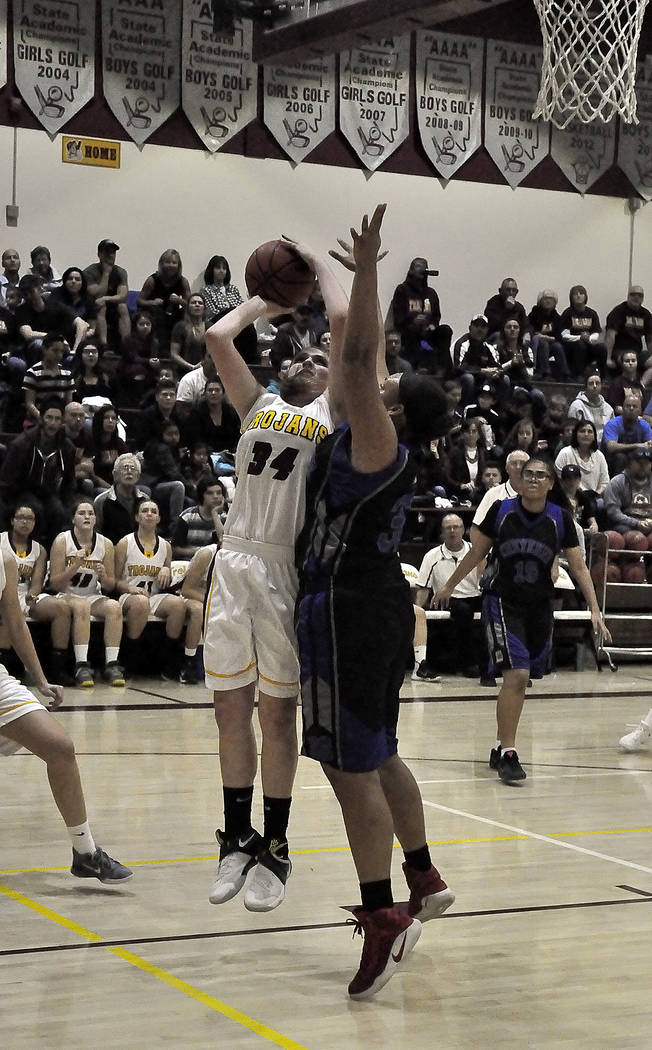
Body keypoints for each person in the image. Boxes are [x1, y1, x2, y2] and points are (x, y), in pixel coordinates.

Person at [296, 206, 454, 1001]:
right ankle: (422, 876)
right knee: (380, 749)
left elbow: (357, 357)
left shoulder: (377, 440)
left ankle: (382, 912)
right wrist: (334, 273)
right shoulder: (380, 434)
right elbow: (353, 344)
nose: (378, 378)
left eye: (390, 386)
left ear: (395, 408)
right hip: (375, 603)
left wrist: (366, 271)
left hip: (349, 611)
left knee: (345, 762)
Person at [203, 236, 348, 914]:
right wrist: (268, 299)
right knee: (230, 708)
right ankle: (236, 836)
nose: (309, 360)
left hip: (285, 569)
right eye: (302, 355)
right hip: (233, 559)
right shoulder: (257, 405)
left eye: (320, 360)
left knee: (276, 715)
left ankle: (278, 845)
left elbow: (343, 324)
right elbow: (217, 334)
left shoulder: (331, 414)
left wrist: (317, 266)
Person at [433, 457, 610, 784]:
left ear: (551, 483)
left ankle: (500, 744)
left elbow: (579, 566)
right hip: (502, 600)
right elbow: (476, 553)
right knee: (517, 675)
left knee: (521, 680)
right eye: (528, 474)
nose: (533, 479)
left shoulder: (560, 518)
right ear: (519, 479)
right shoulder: (501, 510)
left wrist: (595, 609)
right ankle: (510, 754)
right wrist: (449, 586)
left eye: (540, 475)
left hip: (538, 606)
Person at [0, 546, 132, 884]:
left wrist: (41, 679)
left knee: (60, 747)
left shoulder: (4, 557)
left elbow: (15, 622)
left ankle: (85, 853)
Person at [115, 499, 203, 684]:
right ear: (137, 517)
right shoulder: (125, 543)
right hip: (127, 596)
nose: (149, 514)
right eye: (144, 510)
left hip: (153, 597)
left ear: (159, 518)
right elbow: (113, 581)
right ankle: (128, 658)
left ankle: (168, 661)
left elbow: (166, 584)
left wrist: (166, 571)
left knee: (177, 604)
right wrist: (130, 588)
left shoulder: (165, 546)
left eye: (153, 511)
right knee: (140, 603)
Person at [49, 498, 125, 688]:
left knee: (114, 606)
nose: (87, 517)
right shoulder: (62, 540)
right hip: (66, 595)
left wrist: (104, 575)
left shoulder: (106, 544)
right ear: (73, 518)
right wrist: (74, 566)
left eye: (91, 513)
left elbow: (109, 586)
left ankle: (111, 664)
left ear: (95, 519)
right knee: (82, 606)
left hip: (92, 594)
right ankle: (81, 665)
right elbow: (55, 584)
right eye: (82, 513)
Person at [0, 502, 73, 686]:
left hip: (24, 595)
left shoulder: (39, 550)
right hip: (3, 594)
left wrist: (32, 596)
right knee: (7, 613)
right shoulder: (1, 541)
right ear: (12, 520)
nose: (25, 522)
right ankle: (6, 668)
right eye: (21, 517)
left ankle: (57, 669)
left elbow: (37, 583)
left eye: (30, 518)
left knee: (61, 608)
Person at [415, 514, 485, 679]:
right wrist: (417, 611)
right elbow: (423, 587)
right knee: (463, 611)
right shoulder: (431, 556)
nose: (452, 531)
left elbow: (484, 579)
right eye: (448, 528)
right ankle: (469, 663)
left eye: (456, 527)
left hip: (474, 595)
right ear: (442, 532)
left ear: (463, 530)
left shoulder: (476, 552)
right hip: (446, 599)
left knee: (494, 607)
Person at [0, 398, 76, 545]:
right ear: (41, 419)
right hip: (22, 492)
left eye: (57, 419)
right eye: (49, 417)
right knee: (36, 510)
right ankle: (31, 550)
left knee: (59, 512)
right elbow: (6, 480)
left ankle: (52, 550)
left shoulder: (67, 448)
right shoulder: (21, 444)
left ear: (62, 422)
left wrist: (68, 503)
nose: (53, 423)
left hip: (48, 493)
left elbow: (69, 480)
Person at [391, 256, 452, 374]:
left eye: (425, 267)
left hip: (427, 337)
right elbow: (398, 318)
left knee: (445, 330)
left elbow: (436, 316)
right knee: (413, 331)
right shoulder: (402, 290)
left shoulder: (431, 293)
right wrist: (413, 320)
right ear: (411, 270)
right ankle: (419, 367)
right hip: (410, 335)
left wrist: (433, 325)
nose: (422, 269)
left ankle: (443, 369)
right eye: (418, 266)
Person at [137, 249, 190, 353]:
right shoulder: (152, 280)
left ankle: (180, 350)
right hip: (154, 312)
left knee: (184, 317)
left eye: (174, 263)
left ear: (179, 265)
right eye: (167, 262)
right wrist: (152, 302)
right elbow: (139, 301)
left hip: (174, 313)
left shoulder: (183, 281)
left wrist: (179, 301)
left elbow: (189, 304)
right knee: (158, 316)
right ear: (162, 264)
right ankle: (159, 350)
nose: (171, 265)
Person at [83, 239, 130, 348]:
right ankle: (103, 344)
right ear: (99, 254)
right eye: (107, 252)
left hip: (112, 305)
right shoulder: (89, 272)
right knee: (101, 305)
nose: (110, 255)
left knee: (122, 306)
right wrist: (106, 274)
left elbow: (122, 296)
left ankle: (127, 344)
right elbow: (97, 294)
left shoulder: (121, 272)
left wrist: (106, 299)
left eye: (113, 252)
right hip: (93, 307)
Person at [94, 453, 150, 544]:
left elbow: (149, 530)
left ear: (138, 476)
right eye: (125, 468)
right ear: (115, 474)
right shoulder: (101, 501)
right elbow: (96, 534)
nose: (129, 471)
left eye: (133, 468)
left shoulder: (145, 500)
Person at [22, 332, 74, 423]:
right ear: (44, 349)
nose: (59, 355)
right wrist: (43, 419)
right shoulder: (33, 373)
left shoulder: (67, 374)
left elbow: (69, 403)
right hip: (38, 419)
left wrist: (60, 420)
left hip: (59, 419)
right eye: (55, 351)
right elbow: (29, 403)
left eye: (61, 351)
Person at [172, 477, 227, 560]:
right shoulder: (188, 516)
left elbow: (223, 544)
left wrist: (215, 513)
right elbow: (175, 549)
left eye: (219, 493)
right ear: (202, 495)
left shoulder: (224, 518)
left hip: (213, 562)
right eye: (210, 493)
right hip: (188, 561)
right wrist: (201, 552)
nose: (215, 496)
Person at [559, 285, 606, 379]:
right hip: (572, 345)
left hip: (589, 343)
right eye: (575, 294)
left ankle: (603, 376)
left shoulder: (592, 313)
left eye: (581, 293)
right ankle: (579, 375)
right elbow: (564, 335)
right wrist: (580, 337)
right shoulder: (568, 313)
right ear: (571, 297)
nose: (578, 296)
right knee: (580, 345)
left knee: (601, 348)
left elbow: (596, 333)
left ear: (585, 296)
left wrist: (589, 338)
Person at [603, 447, 652, 536]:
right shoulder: (617, 482)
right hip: (626, 524)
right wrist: (636, 523)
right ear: (630, 463)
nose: (643, 466)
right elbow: (613, 512)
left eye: (646, 463)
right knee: (635, 538)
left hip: (649, 522)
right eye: (639, 462)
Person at [554, 420, 609, 496]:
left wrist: (595, 494)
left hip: (594, 497)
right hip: (569, 496)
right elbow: (559, 479)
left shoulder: (599, 455)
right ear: (575, 435)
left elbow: (604, 482)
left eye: (590, 432)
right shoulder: (565, 453)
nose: (586, 434)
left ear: (594, 437)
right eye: (582, 431)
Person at [604, 285, 652, 372]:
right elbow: (610, 335)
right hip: (619, 351)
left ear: (643, 298)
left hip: (637, 352)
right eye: (633, 294)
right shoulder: (618, 311)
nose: (636, 297)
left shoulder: (646, 314)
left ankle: (642, 381)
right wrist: (608, 358)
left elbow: (650, 339)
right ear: (628, 296)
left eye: (639, 295)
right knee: (630, 361)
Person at [602, 393, 652, 475]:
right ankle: (618, 483)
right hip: (611, 462)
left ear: (640, 410)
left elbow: (649, 443)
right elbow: (611, 447)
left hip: (634, 459)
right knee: (620, 457)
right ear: (623, 408)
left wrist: (649, 445)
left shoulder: (644, 425)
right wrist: (637, 445)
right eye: (628, 406)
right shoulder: (613, 424)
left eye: (635, 406)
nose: (631, 408)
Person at [567, 371, 614, 443]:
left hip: (605, 445)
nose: (594, 386)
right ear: (585, 386)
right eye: (591, 383)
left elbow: (612, 432)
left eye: (597, 383)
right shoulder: (577, 406)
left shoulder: (608, 408)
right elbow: (572, 431)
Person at [484, 278, 531, 344]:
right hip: (495, 336)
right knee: (499, 335)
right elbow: (493, 325)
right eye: (508, 290)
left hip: (513, 337)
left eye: (514, 290)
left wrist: (527, 333)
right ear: (500, 291)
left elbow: (526, 324)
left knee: (534, 339)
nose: (511, 293)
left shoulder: (519, 307)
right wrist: (507, 309)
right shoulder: (492, 303)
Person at [169, 293, 208, 374]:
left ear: (204, 308)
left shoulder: (210, 326)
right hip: (183, 371)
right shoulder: (179, 327)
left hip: (205, 370)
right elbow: (174, 354)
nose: (197, 305)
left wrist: (202, 364)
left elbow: (212, 352)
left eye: (200, 303)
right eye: (193, 302)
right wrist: (191, 367)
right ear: (188, 307)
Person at [200, 255, 244, 321]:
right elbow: (213, 313)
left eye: (224, 268)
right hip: (218, 323)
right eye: (218, 268)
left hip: (238, 321)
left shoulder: (233, 289)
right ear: (211, 270)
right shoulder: (206, 291)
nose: (221, 271)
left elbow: (242, 307)